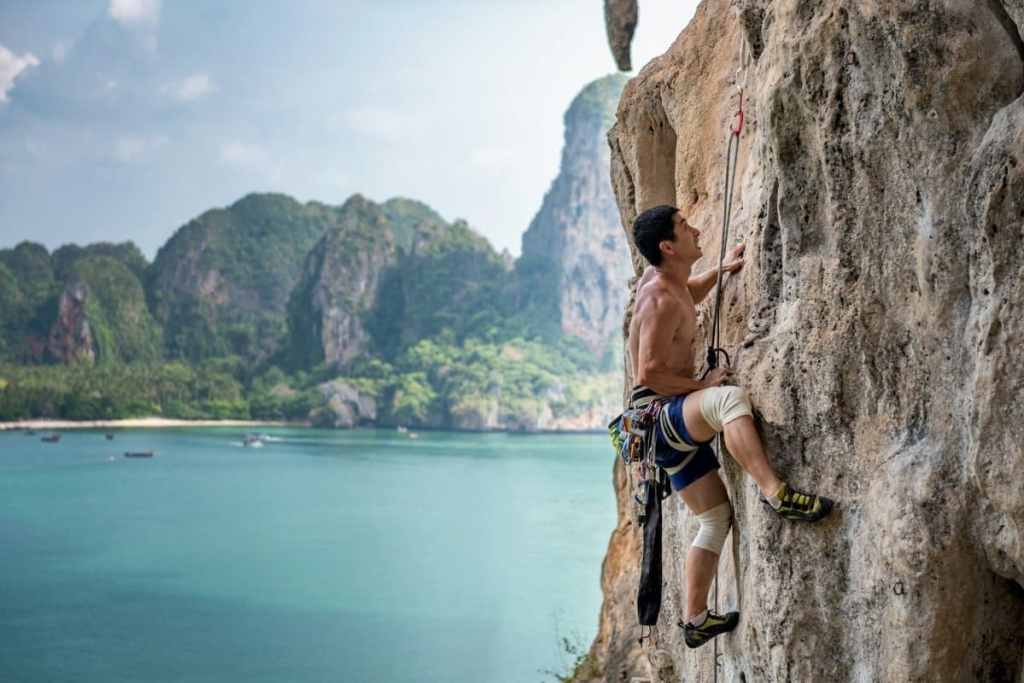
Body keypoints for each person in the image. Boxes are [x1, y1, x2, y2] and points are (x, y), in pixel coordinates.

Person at [626, 204, 834, 649]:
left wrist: (719, 272)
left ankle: (695, 619)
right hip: (660, 415)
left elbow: (688, 295)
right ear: (667, 246)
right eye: (684, 227)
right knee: (728, 400)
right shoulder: (658, 297)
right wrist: (701, 385)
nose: (696, 230)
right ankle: (776, 493)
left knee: (715, 517)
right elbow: (648, 372)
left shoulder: (668, 283)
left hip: (657, 427)